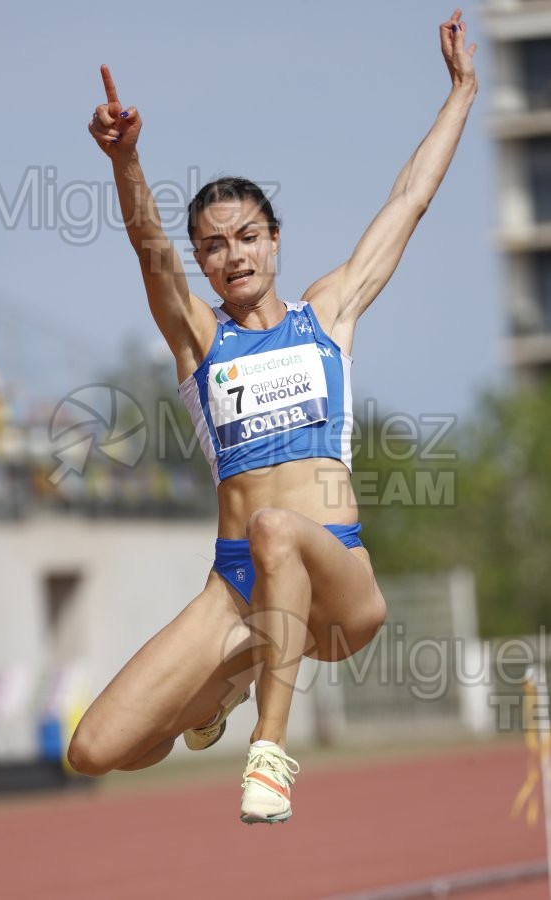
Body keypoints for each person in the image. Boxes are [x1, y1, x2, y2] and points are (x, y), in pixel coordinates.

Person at [68, 9, 477, 824]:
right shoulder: (200, 341)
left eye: (248, 236)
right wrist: (127, 161)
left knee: (279, 530)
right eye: (215, 247)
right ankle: (216, 696)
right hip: (239, 592)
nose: (234, 256)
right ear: (206, 265)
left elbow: (410, 199)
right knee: (95, 750)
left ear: (276, 240)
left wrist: (462, 91)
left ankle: (270, 750)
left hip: (339, 585)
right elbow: (148, 249)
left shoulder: (328, 314)